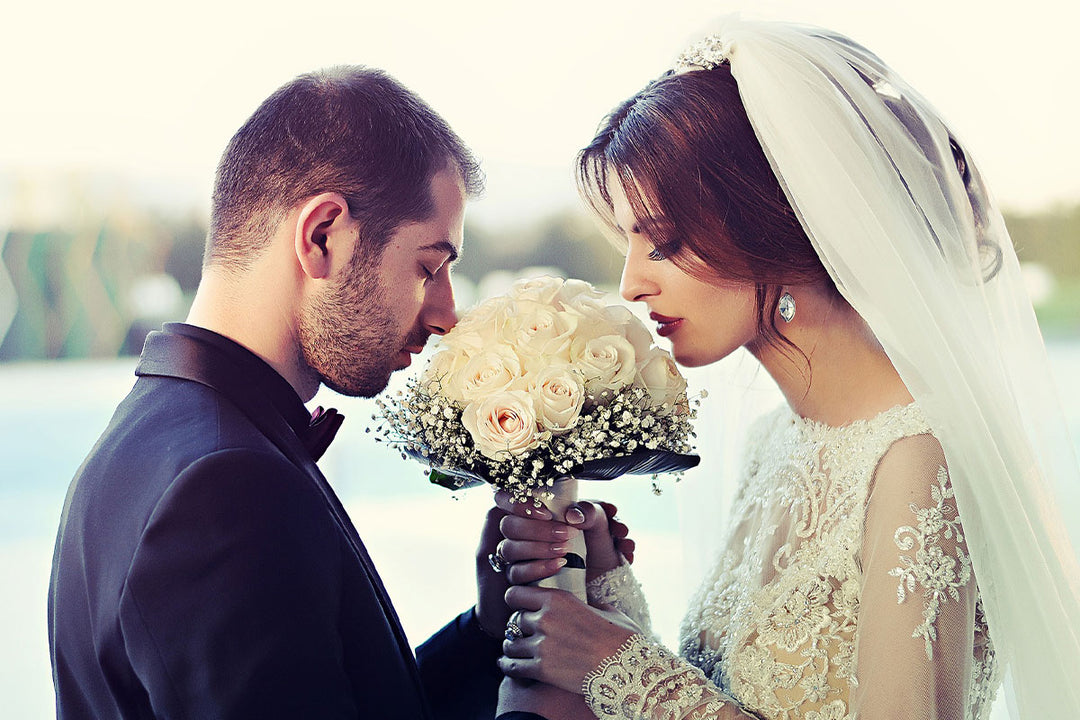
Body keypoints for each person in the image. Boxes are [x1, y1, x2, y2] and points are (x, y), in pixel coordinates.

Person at [492, 17, 1080, 720]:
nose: (631, 284)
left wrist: (622, 668)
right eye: (629, 243)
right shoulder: (777, 439)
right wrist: (606, 591)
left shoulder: (919, 459)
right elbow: (729, 696)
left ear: (775, 221)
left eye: (666, 241)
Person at [49, 65, 518, 720]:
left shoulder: (157, 436)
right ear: (323, 235)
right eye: (429, 267)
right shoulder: (225, 489)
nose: (446, 315)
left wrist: (488, 632)